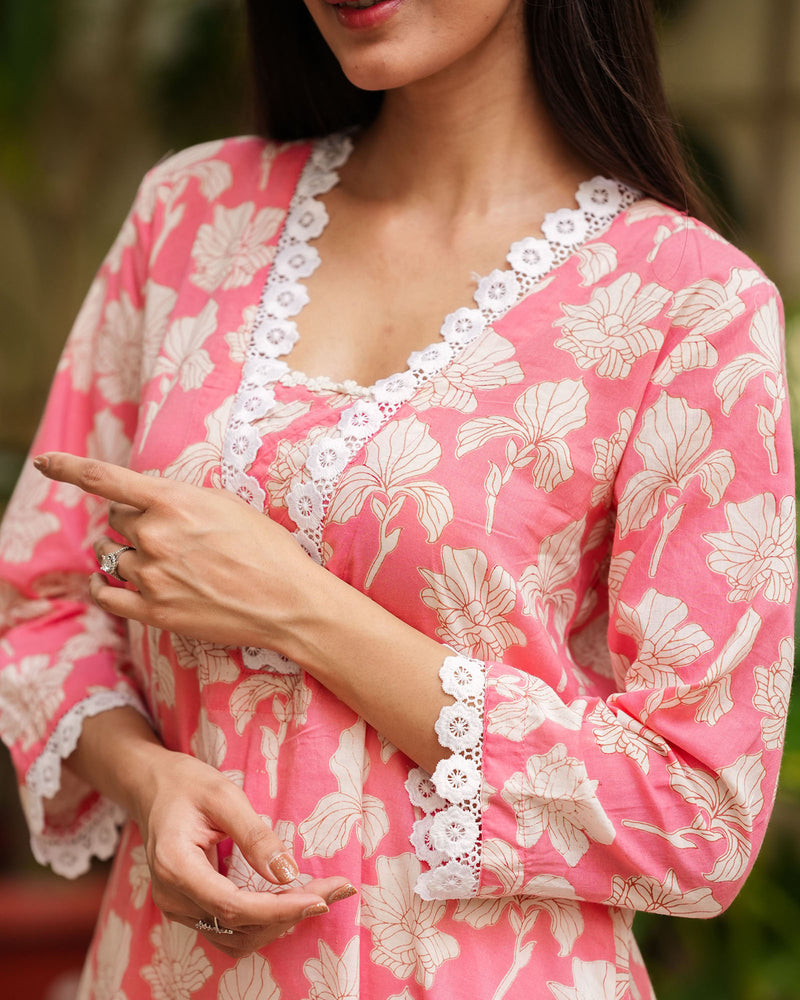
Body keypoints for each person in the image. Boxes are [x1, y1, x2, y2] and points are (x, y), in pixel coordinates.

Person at [0, 0, 794, 996]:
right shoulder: (191, 216)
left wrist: (297, 606)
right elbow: (41, 594)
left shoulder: (691, 308)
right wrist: (146, 777)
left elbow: (695, 810)